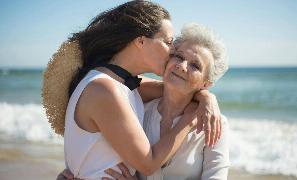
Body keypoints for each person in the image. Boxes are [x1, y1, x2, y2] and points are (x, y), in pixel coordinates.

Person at [43, 1, 223, 180]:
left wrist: (206, 97)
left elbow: (178, 89)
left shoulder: (122, 83)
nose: (171, 52)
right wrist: (190, 119)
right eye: (168, 42)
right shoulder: (105, 89)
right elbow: (148, 164)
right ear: (141, 41)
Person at [106, 23, 229, 180]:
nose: (182, 66)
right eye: (179, 56)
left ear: (206, 84)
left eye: (195, 66)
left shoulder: (214, 124)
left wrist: (207, 97)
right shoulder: (137, 110)